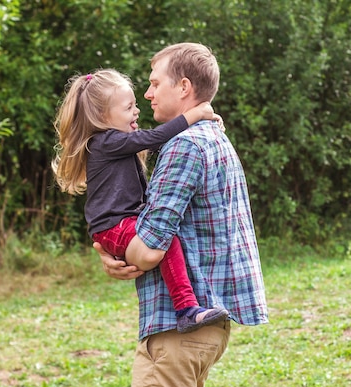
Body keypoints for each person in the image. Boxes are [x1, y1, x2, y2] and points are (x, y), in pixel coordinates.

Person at [94, 43, 269, 387]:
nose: (148, 93)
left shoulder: (185, 146)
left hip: (179, 331)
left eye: (155, 83)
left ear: (184, 87)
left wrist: (117, 254)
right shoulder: (212, 139)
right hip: (199, 327)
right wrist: (120, 254)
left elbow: (150, 249)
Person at [52, 68, 229, 334]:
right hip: (114, 226)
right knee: (163, 240)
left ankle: (186, 309)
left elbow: (156, 142)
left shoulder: (115, 143)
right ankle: (186, 310)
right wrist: (195, 114)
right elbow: (156, 137)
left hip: (119, 225)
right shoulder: (104, 142)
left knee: (161, 240)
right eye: (129, 107)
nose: (137, 111)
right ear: (103, 116)